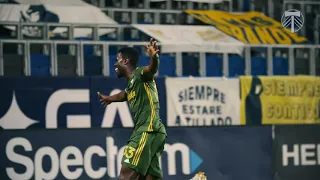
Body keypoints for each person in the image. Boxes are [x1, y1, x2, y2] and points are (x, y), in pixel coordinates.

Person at [97, 38, 167, 180]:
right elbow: (124, 94)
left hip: (146, 130)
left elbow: (151, 69)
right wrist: (109, 99)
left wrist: (154, 57)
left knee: (126, 171)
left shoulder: (141, 74)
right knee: (148, 177)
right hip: (156, 132)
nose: (115, 64)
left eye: (117, 59)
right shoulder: (131, 84)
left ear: (126, 61)